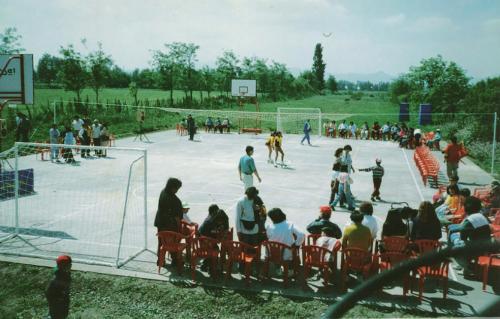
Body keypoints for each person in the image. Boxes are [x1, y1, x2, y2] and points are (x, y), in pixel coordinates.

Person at [154, 178, 183, 266]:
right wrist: (179, 228)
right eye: (177, 188)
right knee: (173, 243)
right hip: (170, 225)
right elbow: (178, 217)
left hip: (160, 222)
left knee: (161, 242)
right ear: (172, 187)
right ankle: (175, 260)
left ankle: (160, 260)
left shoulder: (163, 192)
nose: (177, 190)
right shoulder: (175, 201)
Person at [46, 255, 72, 319]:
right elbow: (48, 293)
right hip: (58, 304)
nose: (71, 266)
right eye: (69, 265)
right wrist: (59, 300)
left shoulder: (65, 274)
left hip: (62, 302)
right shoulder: (58, 278)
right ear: (63, 266)